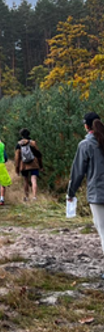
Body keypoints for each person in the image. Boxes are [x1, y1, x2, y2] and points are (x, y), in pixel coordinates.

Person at [67, 112, 104, 272]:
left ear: (87, 126)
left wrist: (71, 192)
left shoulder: (86, 145)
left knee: (102, 229)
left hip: (98, 193)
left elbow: (78, 172)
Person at [14, 128, 42, 203]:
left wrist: (17, 168)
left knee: (25, 180)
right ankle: (34, 197)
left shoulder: (19, 145)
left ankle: (26, 197)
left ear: (21, 135)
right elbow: (38, 154)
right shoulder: (33, 143)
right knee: (34, 179)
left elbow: (17, 158)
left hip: (24, 165)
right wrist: (41, 166)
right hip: (34, 163)